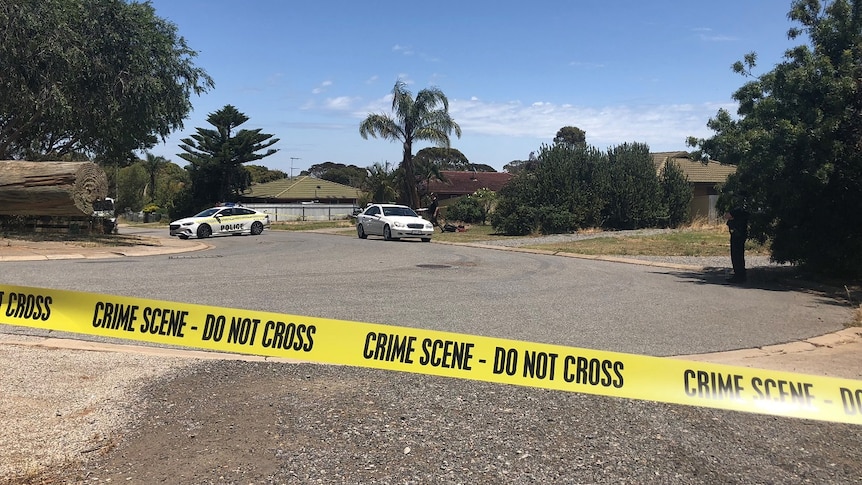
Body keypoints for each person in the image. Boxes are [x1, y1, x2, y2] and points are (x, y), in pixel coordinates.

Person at [724, 203, 750, 284]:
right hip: (741, 233)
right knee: (739, 255)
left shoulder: (739, 209)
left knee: (736, 255)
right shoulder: (746, 208)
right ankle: (741, 275)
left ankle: (739, 276)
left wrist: (732, 217)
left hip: (737, 234)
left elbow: (727, 215)